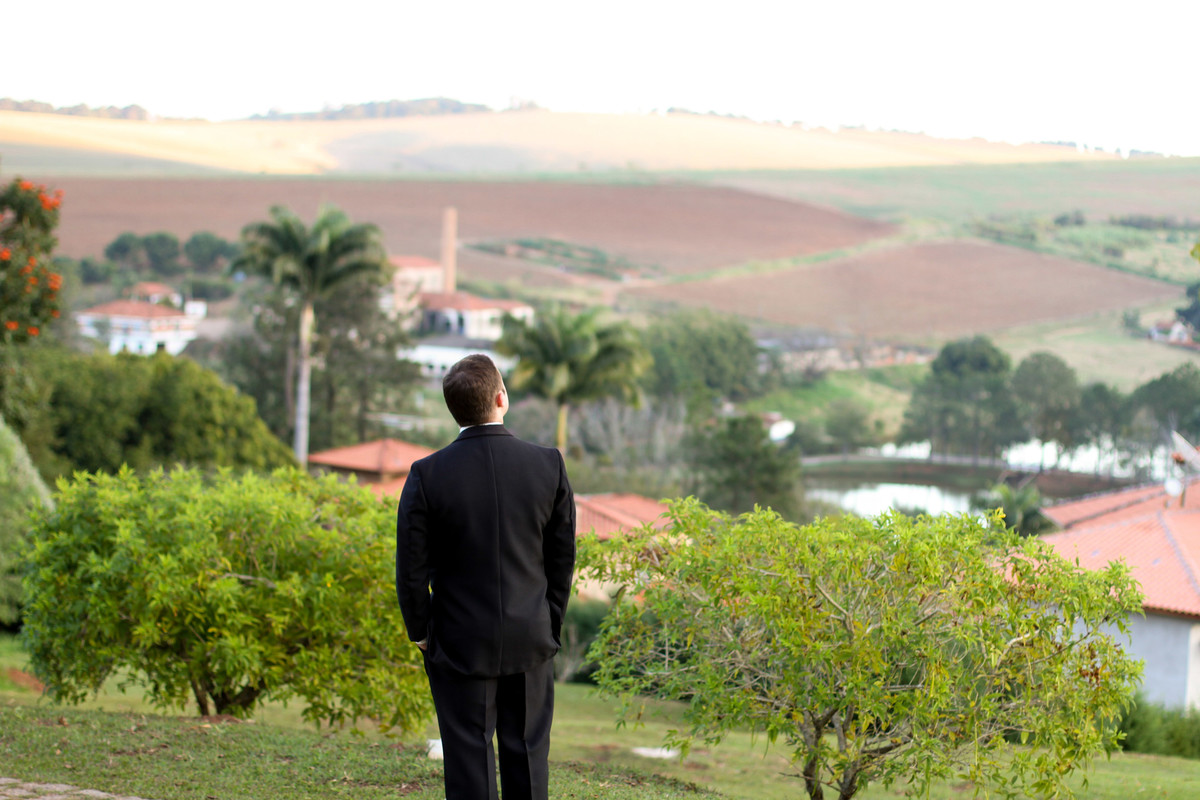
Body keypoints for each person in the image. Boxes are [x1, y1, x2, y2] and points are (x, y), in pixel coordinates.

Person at [396, 353, 576, 800]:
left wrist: (421, 631)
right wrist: (549, 621)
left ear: (454, 409)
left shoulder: (427, 474)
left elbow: (411, 567)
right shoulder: (547, 465)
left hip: (457, 640)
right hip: (530, 635)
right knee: (529, 758)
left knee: (468, 760)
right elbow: (562, 557)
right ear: (502, 398)